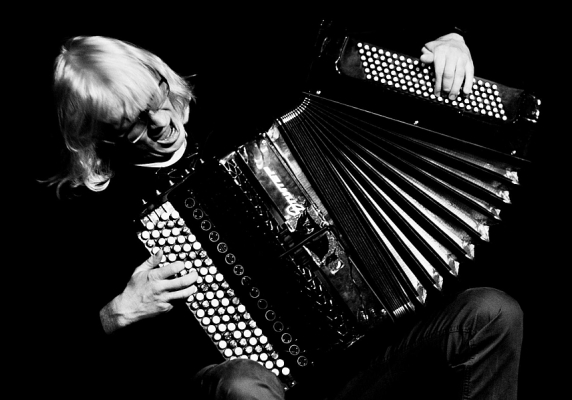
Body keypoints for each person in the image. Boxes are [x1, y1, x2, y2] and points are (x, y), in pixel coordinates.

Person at [40, 20, 523, 400]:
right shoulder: (98, 216)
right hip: (265, 389)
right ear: (99, 138)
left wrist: (447, 39)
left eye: (157, 97)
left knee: (490, 313)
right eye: (134, 126)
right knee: (241, 385)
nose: (163, 122)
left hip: (370, 363)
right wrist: (115, 314)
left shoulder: (244, 103)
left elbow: (353, 54)